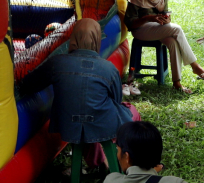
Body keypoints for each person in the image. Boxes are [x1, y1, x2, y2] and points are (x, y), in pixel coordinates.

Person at [21, 18, 138, 167]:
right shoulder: (108, 68)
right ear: (97, 39)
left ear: (74, 37)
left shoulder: (56, 62)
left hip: (67, 127)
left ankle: (99, 163)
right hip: (100, 123)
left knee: (84, 124)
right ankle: (128, 159)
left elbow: (29, 84)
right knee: (130, 111)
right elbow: (116, 99)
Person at [126, 0, 204, 94]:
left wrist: (166, 20)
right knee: (177, 29)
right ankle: (195, 66)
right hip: (141, 30)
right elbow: (130, 24)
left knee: (172, 41)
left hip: (158, 28)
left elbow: (166, 13)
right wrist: (149, 18)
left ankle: (176, 83)